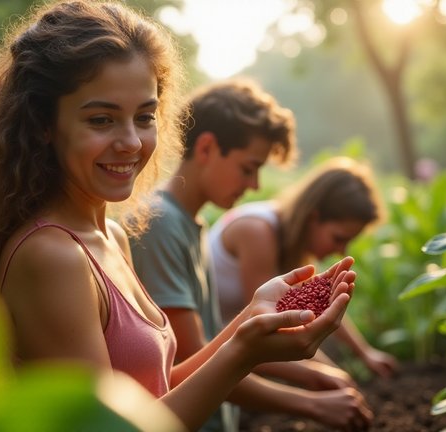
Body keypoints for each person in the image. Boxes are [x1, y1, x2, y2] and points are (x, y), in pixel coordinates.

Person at [0, 2, 357, 431]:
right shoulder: (52, 255)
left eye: (144, 117)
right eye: (101, 119)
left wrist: (250, 321)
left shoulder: (109, 234)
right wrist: (243, 352)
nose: (131, 142)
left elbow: (152, 400)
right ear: (42, 124)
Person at [130, 79, 373, 432]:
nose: (256, 185)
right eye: (249, 167)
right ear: (207, 148)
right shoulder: (160, 224)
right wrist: (311, 403)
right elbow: (191, 361)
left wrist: (315, 378)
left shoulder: (189, 223)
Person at [209, 156, 399, 380]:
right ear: (313, 218)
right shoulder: (256, 231)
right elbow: (271, 326)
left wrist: (365, 353)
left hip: (225, 343)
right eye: (338, 238)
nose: (341, 250)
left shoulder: (293, 242)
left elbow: (322, 300)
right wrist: (330, 375)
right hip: (205, 348)